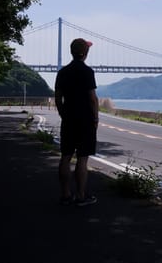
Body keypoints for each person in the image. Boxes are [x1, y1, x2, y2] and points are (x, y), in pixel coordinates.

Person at [55, 38, 99, 206]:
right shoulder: (87, 72)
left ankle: (65, 195)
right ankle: (81, 195)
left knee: (65, 156)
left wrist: (63, 114)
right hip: (85, 121)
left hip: (68, 120)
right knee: (82, 158)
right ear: (85, 53)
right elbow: (92, 98)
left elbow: (58, 98)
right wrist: (95, 118)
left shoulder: (62, 72)